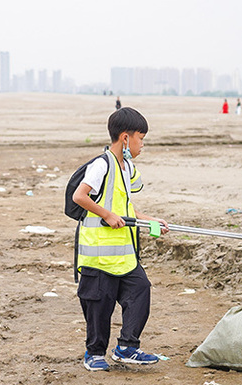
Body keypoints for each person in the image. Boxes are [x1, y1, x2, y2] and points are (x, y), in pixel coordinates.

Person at [71, 107, 169, 371]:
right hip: (98, 255)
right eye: (141, 138)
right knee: (98, 309)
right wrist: (106, 214)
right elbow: (79, 197)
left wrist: (149, 220)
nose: (142, 145)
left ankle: (127, 347)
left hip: (124, 255)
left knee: (140, 290)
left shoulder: (127, 168)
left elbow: (126, 206)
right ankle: (94, 353)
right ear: (125, 138)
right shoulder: (101, 165)